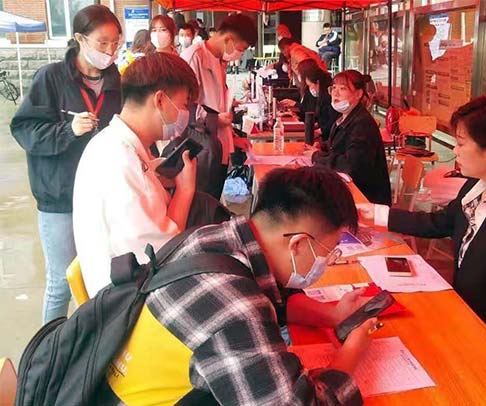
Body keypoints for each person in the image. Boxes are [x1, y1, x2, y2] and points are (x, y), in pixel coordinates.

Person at [96, 166, 376, 405]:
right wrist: (350, 356)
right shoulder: (236, 308)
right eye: (331, 250)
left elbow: (269, 298)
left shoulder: (211, 237)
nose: (330, 261)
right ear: (299, 244)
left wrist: (331, 315)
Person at [360, 95, 486, 385]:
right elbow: (439, 222)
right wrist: (376, 214)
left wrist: (484, 340)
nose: (455, 150)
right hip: (471, 323)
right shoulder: (475, 188)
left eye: (462, 143)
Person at [10, 5, 122, 324]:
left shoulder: (116, 80)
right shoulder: (51, 78)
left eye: (116, 43)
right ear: (80, 39)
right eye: (102, 43)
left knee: (99, 277)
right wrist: (67, 130)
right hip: (60, 198)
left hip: (101, 196)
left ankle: (88, 342)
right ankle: (48, 347)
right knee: (61, 282)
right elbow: (25, 129)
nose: (110, 51)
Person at [73, 52, 198, 298]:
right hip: (128, 303)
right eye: (184, 104)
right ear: (160, 100)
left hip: (127, 289)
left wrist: (154, 172)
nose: (185, 113)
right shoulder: (120, 159)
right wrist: (185, 191)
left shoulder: (116, 144)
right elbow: (161, 255)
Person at [181, 13, 254, 199]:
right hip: (201, 151)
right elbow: (185, 107)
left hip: (218, 149)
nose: (240, 54)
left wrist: (233, 138)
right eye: (240, 49)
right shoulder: (194, 57)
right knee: (202, 203)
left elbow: (219, 104)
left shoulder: (219, 60)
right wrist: (215, 119)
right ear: (228, 39)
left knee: (213, 201)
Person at [309, 70, 391, 205]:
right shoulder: (343, 118)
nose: (335, 93)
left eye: (342, 89)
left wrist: (316, 157)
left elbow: (351, 165)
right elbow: (338, 146)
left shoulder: (362, 123)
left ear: (358, 94)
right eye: (333, 88)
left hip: (364, 197)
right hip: (345, 187)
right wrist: (322, 147)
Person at [304, 63, 339, 141]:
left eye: (310, 85)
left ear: (317, 83)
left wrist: (319, 131)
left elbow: (333, 121)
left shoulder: (329, 97)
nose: (310, 89)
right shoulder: (321, 97)